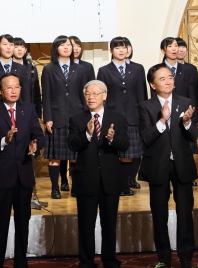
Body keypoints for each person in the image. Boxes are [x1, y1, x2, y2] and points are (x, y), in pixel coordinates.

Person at [138, 63, 198, 268]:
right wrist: (162, 120)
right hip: (158, 165)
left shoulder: (185, 102)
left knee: (185, 213)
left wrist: (187, 122)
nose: (168, 81)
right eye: (162, 78)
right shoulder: (145, 107)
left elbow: (194, 135)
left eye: (170, 77)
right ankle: (164, 258)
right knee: (159, 214)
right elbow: (146, 138)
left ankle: (186, 257)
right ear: (152, 84)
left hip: (182, 164)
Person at [0, 73, 45, 268]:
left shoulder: (28, 109)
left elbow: (39, 135)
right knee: (0, 224)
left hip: (24, 176)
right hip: (1, 177)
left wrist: (36, 144)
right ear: (0, 91)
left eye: (17, 87)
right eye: (9, 87)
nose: (14, 91)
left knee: (23, 223)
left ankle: (21, 263)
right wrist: (4, 140)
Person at [68, 80, 129, 268]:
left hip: (110, 179)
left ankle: (109, 260)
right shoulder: (77, 119)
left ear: (105, 95)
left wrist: (112, 139)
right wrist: (87, 134)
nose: (90, 97)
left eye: (95, 94)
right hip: (86, 179)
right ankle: (86, 262)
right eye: (87, 94)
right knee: (86, 224)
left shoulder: (118, 119)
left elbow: (125, 145)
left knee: (109, 223)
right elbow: (72, 145)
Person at [97, 36, 147, 197]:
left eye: (124, 47)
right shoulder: (104, 70)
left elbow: (142, 94)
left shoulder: (137, 69)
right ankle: (114, 184)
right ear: (111, 51)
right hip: (114, 116)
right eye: (117, 48)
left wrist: (144, 116)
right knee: (114, 154)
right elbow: (102, 95)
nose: (121, 50)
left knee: (130, 154)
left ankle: (125, 184)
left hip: (133, 115)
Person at [42, 35, 90, 198]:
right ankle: (55, 188)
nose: (67, 47)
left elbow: (85, 95)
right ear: (56, 48)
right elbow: (46, 96)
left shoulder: (81, 69)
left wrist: (86, 116)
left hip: (77, 116)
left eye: (69, 44)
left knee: (76, 156)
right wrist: (48, 118)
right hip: (57, 117)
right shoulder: (49, 69)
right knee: (55, 157)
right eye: (62, 45)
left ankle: (76, 187)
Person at [158, 38, 198, 184]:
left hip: (185, 114)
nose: (174, 49)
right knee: (166, 147)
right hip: (165, 113)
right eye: (170, 46)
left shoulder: (189, 69)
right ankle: (166, 177)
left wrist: (194, 117)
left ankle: (186, 175)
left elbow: (194, 94)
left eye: (176, 45)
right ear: (163, 50)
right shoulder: (158, 69)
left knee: (185, 147)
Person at [0, 34, 30, 110]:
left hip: (17, 110)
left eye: (11, 45)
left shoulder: (21, 68)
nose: (8, 47)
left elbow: (25, 94)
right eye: (5, 44)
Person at [12, 37, 41, 118]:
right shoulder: (8, 67)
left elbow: (36, 93)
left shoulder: (31, 68)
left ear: (25, 50)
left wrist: (38, 114)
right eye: (16, 47)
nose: (19, 49)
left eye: (22, 47)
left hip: (28, 109)